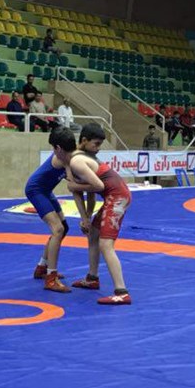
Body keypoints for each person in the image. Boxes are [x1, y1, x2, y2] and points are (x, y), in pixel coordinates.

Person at [67, 123, 132, 304]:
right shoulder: (80, 159)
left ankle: (122, 292)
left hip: (117, 198)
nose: (98, 149)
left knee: (106, 245)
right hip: (115, 196)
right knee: (94, 234)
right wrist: (86, 218)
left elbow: (96, 186)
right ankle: (92, 278)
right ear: (84, 140)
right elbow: (88, 191)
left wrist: (73, 186)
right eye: (96, 144)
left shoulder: (77, 161)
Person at [26, 127, 77, 293]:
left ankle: (42, 267)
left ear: (58, 148)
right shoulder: (64, 159)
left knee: (64, 228)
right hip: (36, 190)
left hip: (46, 190)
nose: (52, 152)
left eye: (53, 148)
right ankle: (51, 278)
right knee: (58, 229)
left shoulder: (68, 157)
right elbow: (73, 183)